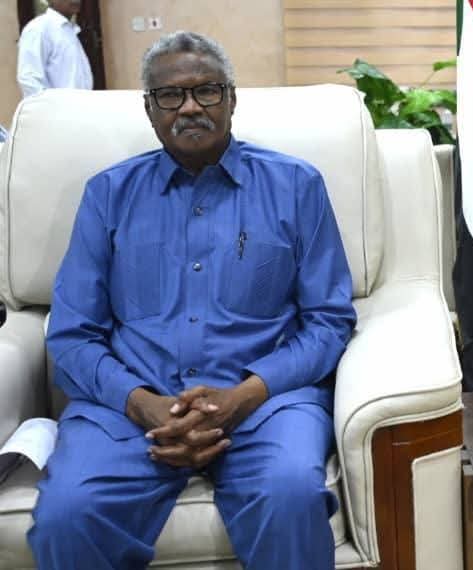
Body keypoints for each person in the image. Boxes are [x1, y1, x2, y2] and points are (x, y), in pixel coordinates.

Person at [29, 31, 356, 569]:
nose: (189, 107)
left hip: (265, 405)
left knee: (290, 494)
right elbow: (72, 334)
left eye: (206, 91)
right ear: (149, 108)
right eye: (170, 95)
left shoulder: (296, 186)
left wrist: (245, 396)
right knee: (68, 514)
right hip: (131, 409)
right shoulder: (108, 194)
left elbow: (329, 321)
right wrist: (142, 403)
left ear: (231, 99)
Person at [16, 0, 93, 98]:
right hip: (59, 106)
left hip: (81, 104)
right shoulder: (39, 28)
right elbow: (29, 79)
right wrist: (51, 106)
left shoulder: (69, 30)